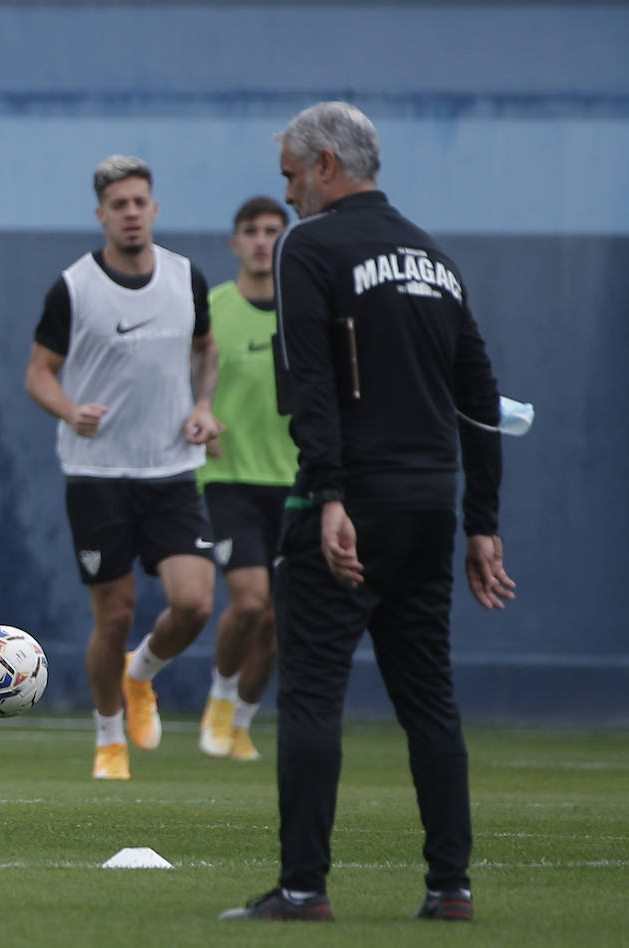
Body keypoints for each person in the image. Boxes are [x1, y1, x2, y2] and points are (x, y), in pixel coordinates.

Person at [220, 101, 516, 922]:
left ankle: (304, 888)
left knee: (312, 695)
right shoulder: (436, 258)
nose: (286, 197)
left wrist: (329, 492)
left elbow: (311, 382)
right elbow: (481, 400)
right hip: (431, 506)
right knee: (430, 700)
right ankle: (449, 888)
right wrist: (481, 520)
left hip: (349, 504)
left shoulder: (307, 247)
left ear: (324, 164)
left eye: (290, 177)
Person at [25, 154, 223, 781]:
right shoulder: (74, 287)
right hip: (98, 476)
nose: (131, 213)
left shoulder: (188, 278)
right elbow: (38, 374)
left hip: (170, 472)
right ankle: (109, 740)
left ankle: (142, 674)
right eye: (119, 205)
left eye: (140, 201)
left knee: (193, 604)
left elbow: (206, 350)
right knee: (113, 615)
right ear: (101, 215)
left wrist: (203, 406)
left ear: (154, 208)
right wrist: (69, 410)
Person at [195, 196, 295, 762]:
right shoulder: (211, 311)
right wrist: (197, 416)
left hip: (297, 481)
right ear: (235, 242)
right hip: (229, 477)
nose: (261, 240)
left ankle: (242, 723)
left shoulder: (306, 313)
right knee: (251, 603)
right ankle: (221, 696)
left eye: (272, 231)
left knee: (281, 626)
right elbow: (183, 388)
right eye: (251, 231)